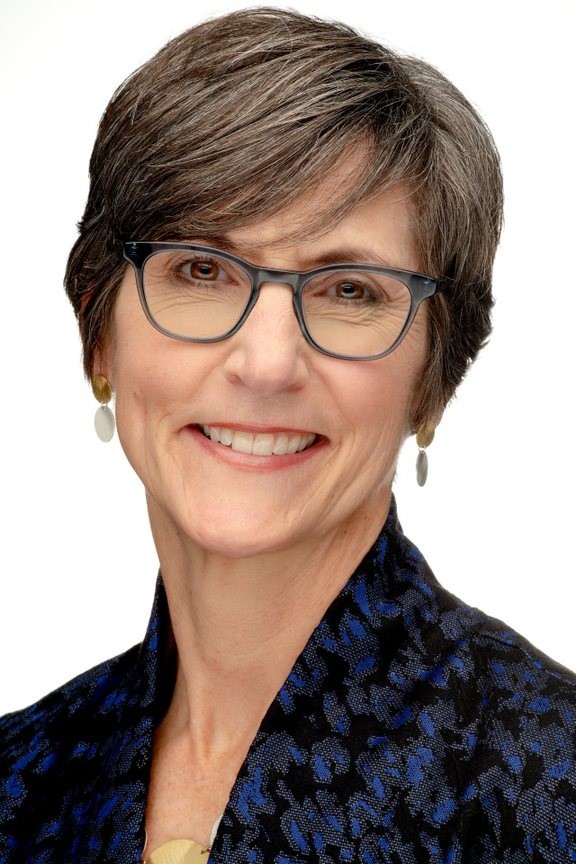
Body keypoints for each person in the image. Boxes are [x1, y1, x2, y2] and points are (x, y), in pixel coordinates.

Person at [1, 7, 575, 863]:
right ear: (98, 337)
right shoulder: (17, 780)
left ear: (434, 380)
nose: (267, 364)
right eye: (201, 269)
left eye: (349, 291)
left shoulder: (548, 785)